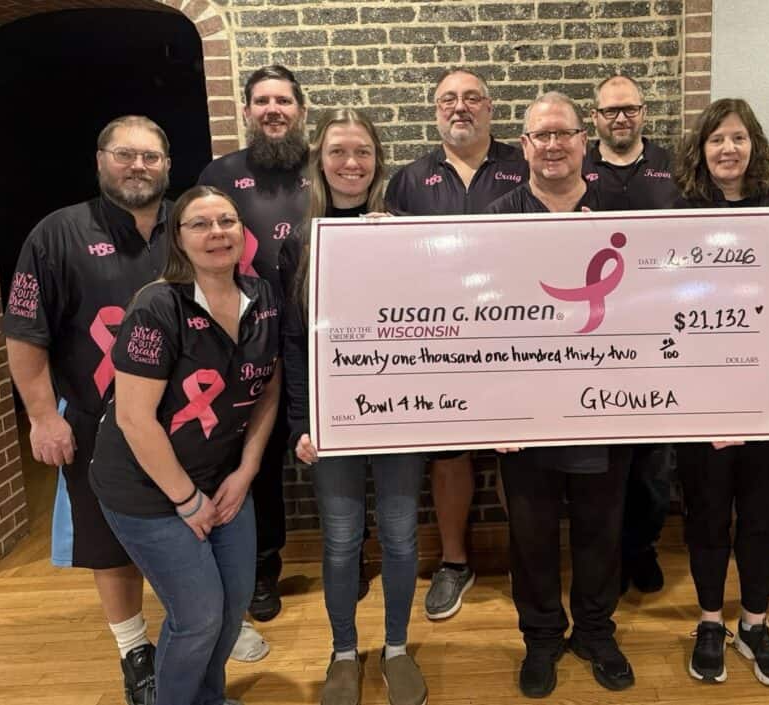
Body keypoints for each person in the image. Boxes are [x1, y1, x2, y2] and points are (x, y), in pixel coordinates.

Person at [88, 185, 281, 705]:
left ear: (243, 232)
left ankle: (207, 699)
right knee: (197, 617)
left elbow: (269, 387)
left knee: (231, 602)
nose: (217, 232)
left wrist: (247, 470)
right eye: (200, 223)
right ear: (178, 238)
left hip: (223, 479)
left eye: (227, 221)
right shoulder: (157, 305)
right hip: (146, 488)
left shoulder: (262, 298)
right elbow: (133, 417)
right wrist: (184, 499)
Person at [3, 115, 172, 705]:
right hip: (95, 421)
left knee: (193, 527)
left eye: (151, 157)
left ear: (168, 166)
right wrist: (44, 417)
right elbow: (26, 333)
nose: (138, 166)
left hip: (182, 420)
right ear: (100, 160)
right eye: (125, 154)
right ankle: (134, 653)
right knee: (109, 541)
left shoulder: (193, 225)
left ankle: (198, 626)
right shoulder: (57, 233)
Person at [487, 92, 635, 699]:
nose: (552, 145)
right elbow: (476, 315)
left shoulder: (627, 211)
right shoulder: (496, 218)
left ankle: (597, 632)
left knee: (603, 528)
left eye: (563, 134)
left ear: (584, 141)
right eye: (540, 136)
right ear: (524, 146)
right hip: (525, 411)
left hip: (608, 404)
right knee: (531, 534)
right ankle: (542, 637)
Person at [281, 109, 428, 705]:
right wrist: (300, 423)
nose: (351, 163)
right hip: (331, 420)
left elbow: (433, 323)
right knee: (341, 540)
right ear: (320, 160)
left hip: (397, 411)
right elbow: (293, 342)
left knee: (399, 535)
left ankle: (395, 647)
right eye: (339, 151)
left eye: (362, 152)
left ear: (378, 161)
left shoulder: (404, 232)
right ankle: (343, 652)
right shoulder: (300, 240)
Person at [673, 98, 769, 687]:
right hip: (700, 398)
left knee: (760, 518)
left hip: (766, 395)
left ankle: (754, 623)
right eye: (715, 141)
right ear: (700, 152)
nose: (727, 150)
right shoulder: (677, 214)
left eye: (737, 138)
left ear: (753, 145)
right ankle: (710, 623)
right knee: (706, 515)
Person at [384, 67, 528, 622]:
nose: (460, 107)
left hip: (519, 334)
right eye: (448, 99)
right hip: (441, 342)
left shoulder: (524, 166)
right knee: (449, 455)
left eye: (472, 98)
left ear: (490, 108)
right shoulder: (408, 179)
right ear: (435, 110)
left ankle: (528, 555)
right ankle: (454, 562)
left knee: (524, 454)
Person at [197, 65, 310, 645]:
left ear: (300, 109)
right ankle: (264, 568)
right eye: (262, 100)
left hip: (321, 334)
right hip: (248, 336)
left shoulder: (323, 165)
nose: (273, 109)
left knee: (337, 443)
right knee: (253, 458)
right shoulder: (220, 174)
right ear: (246, 111)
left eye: (283, 100)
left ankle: (351, 550)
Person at [585, 74, 680, 594]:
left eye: (630, 109)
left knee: (652, 464)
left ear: (643, 113)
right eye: (609, 111)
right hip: (590, 337)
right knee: (601, 463)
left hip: (658, 338)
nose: (620, 118)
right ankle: (605, 557)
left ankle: (640, 548)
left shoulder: (674, 168)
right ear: (594, 117)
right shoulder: (576, 167)